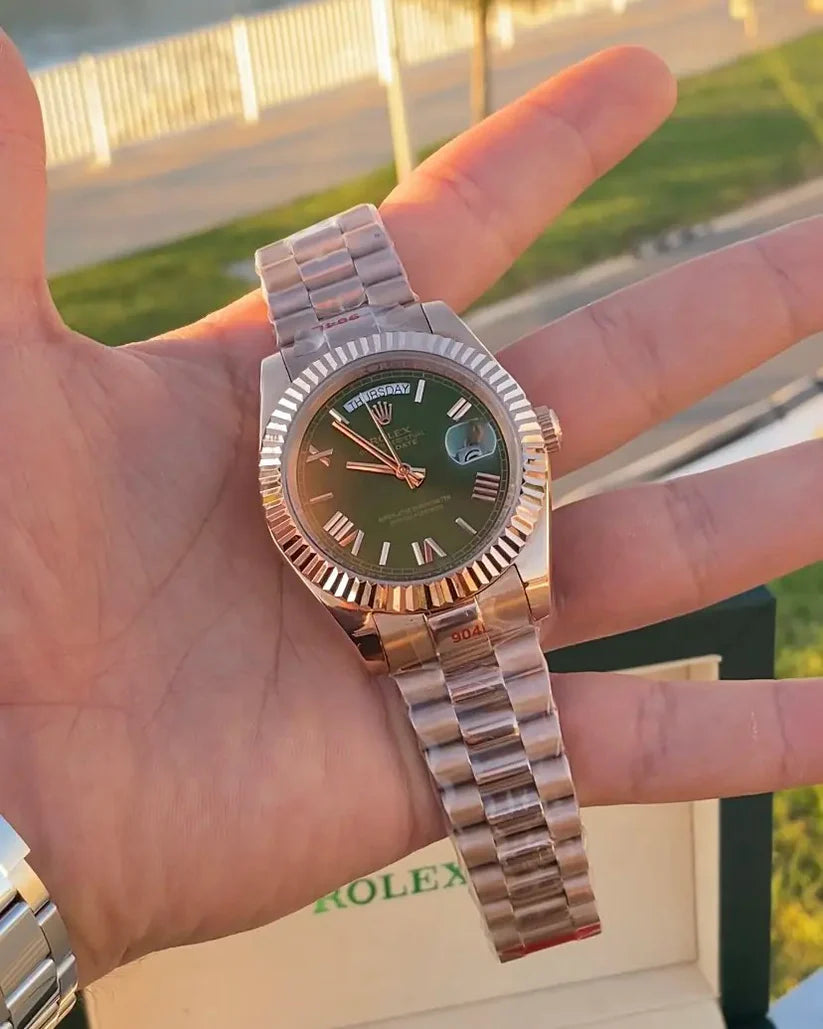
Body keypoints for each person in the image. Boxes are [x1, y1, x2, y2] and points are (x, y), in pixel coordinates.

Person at [0, 31, 821, 989]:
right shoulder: (306, 483)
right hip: (404, 585)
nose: (397, 470)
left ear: (528, 435)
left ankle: (537, 909)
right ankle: (537, 907)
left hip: (459, 563)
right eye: (375, 466)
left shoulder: (456, 426)